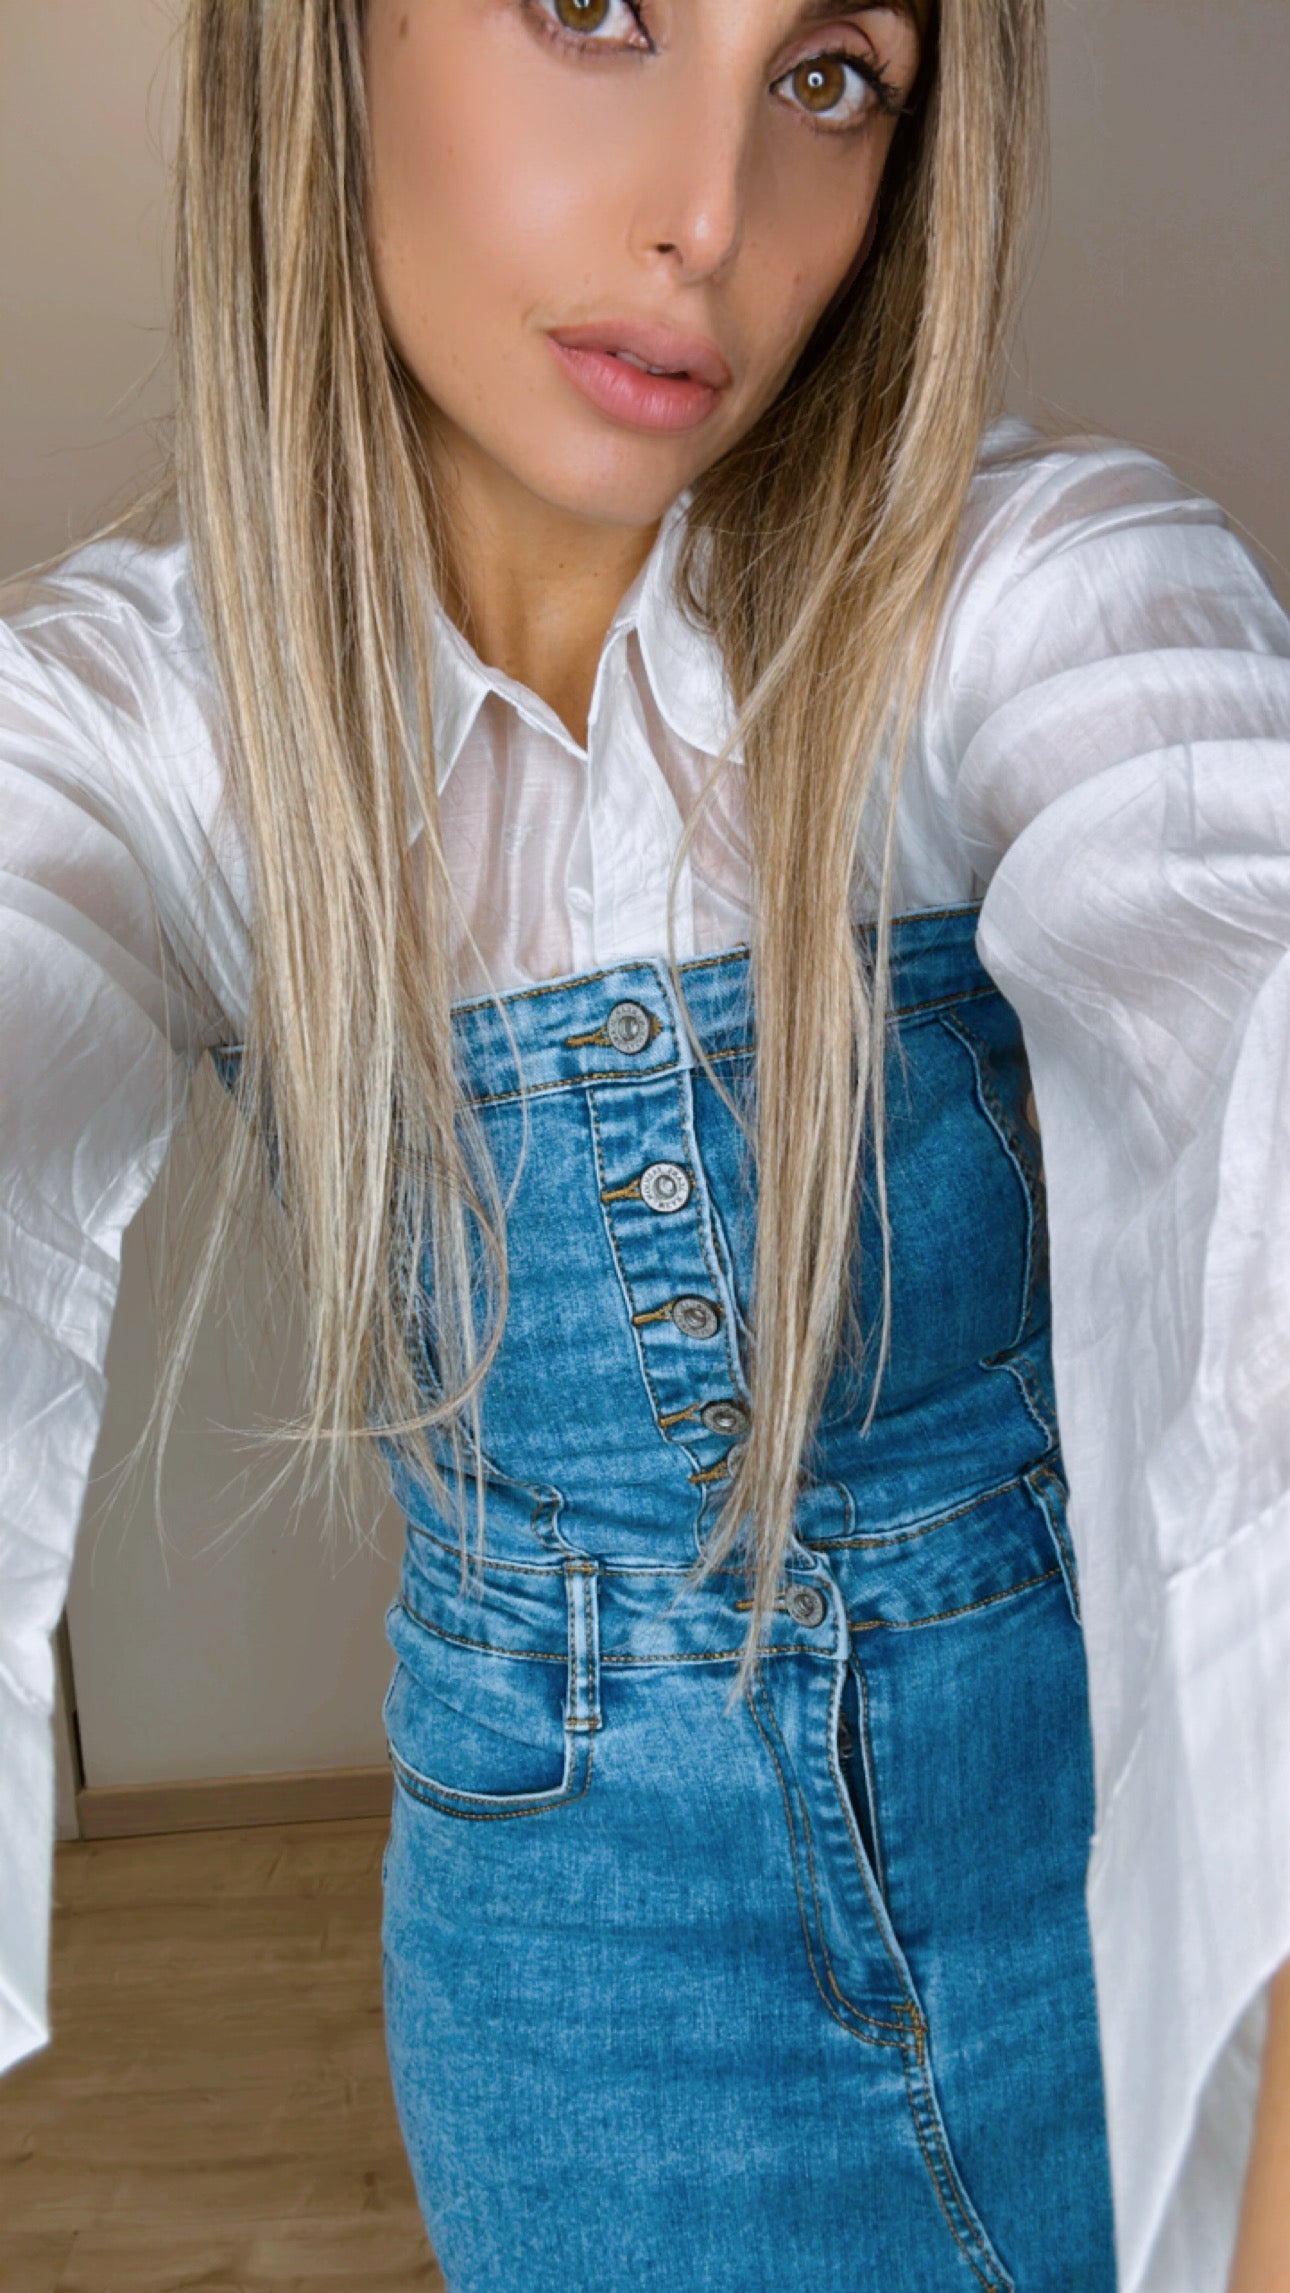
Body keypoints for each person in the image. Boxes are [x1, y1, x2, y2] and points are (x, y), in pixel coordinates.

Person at [1, 0, 1287, 2285]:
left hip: (1117, 1897)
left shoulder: (1039, 596)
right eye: (598, 7)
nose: (712, 216)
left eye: (829, 76)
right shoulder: (150, 731)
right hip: (579, 2010)